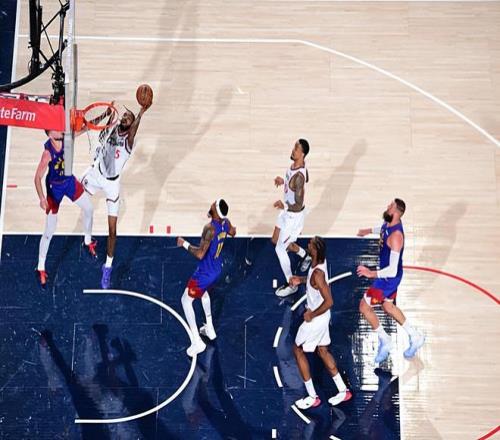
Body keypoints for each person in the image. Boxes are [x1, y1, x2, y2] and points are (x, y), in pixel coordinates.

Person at [81, 100, 150, 288]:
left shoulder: (128, 140)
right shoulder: (112, 128)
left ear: (132, 124)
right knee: (80, 202)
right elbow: (99, 130)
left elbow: (134, 130)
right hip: (96, 174)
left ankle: (108, 268)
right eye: (125, 115)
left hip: (112, 184)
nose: (125, 117)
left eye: (129, 117)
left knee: (112, 231)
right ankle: (87, 240)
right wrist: (107, 113)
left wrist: (141, 112)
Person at [357, 198, 425, 363]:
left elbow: (392, 270)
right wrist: (367, 230)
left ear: (396, 213)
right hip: (391, 276)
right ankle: (415, 336)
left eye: (391, 206)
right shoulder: (389, 222)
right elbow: (382, 229)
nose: (387, 206)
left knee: (364, 307)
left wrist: (371, 273)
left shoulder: (396, 237)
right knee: (387, 306)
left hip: (388, 279)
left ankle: (385, 340)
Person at [290, 236, 352, 409]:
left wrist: (311, 315)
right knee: (323, 351)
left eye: (310, 244)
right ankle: (343, 390)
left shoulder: (318, 273)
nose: (307, 245)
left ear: (315, 250)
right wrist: (300, 279)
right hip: (323, 317)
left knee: (297, 349)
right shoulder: (318, 263)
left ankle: (312, 396)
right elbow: (313, 282)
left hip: (317, 318)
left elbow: (329, 301)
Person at [34, 129, 96, 287]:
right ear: (50, 135)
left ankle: (87, 241)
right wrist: (41, 198)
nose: (60, 129)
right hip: (54, 189)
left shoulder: (66, 138)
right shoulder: (47, 153)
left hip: (69, 182)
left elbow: (86, 127)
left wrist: (103, 119)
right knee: (49, 230)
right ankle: (40, 267)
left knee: (89, 208)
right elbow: (37, 178)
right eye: (55, 129)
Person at [177, 199, 236, 357]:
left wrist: (184, 244)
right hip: (216, 269)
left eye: (213, 204)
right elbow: (233, 232)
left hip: (205, 272)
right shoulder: (225, 223)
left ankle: (197, 342)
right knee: (203, 294)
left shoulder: (209, 229)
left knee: (185, 300)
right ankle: (209, 328)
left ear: (215, 210)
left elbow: (200, 254)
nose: (211, 203)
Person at [273, 139, 312, 297]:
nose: (293, 150)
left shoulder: (299, 178)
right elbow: (300, 180)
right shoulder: (295, 167)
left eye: (296, 148)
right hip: (287, 213)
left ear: (302, 154)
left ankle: (291, 283)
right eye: (294, 146)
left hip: (293, 216)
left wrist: (284, 205)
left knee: (280, 248)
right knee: (276, 240)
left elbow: (298, 204)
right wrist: (284, 182)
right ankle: (305, 255)